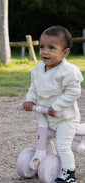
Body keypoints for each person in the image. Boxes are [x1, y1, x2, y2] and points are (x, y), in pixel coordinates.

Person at [23, 26, 83, 183]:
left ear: (65, 53)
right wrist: (29, 100)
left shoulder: (68, 71)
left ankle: (68, 173)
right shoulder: (37, 70)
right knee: (43, 140)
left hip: (66, 118)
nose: (45, 51)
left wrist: (56, 106)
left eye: (51, 48)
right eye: (42, 46)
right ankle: (46, 163)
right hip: (47, 116)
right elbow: (34, 88)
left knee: (63, 146)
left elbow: (73, 92)